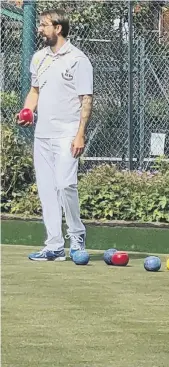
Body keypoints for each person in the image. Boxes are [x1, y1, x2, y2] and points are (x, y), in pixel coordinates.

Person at [17, 9, 93, 261]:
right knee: (47, 190)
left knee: (65, 184)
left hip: (67, 133)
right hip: (42, 135)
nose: (40, 29)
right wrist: (27, 110)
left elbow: (86, 99)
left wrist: (80, 133)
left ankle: (77, 233)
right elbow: (34, 91)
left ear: (58, 28)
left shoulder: (78, 59)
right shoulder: (39, 58)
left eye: (44, 25)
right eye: (39, 25)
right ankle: (54, 246)